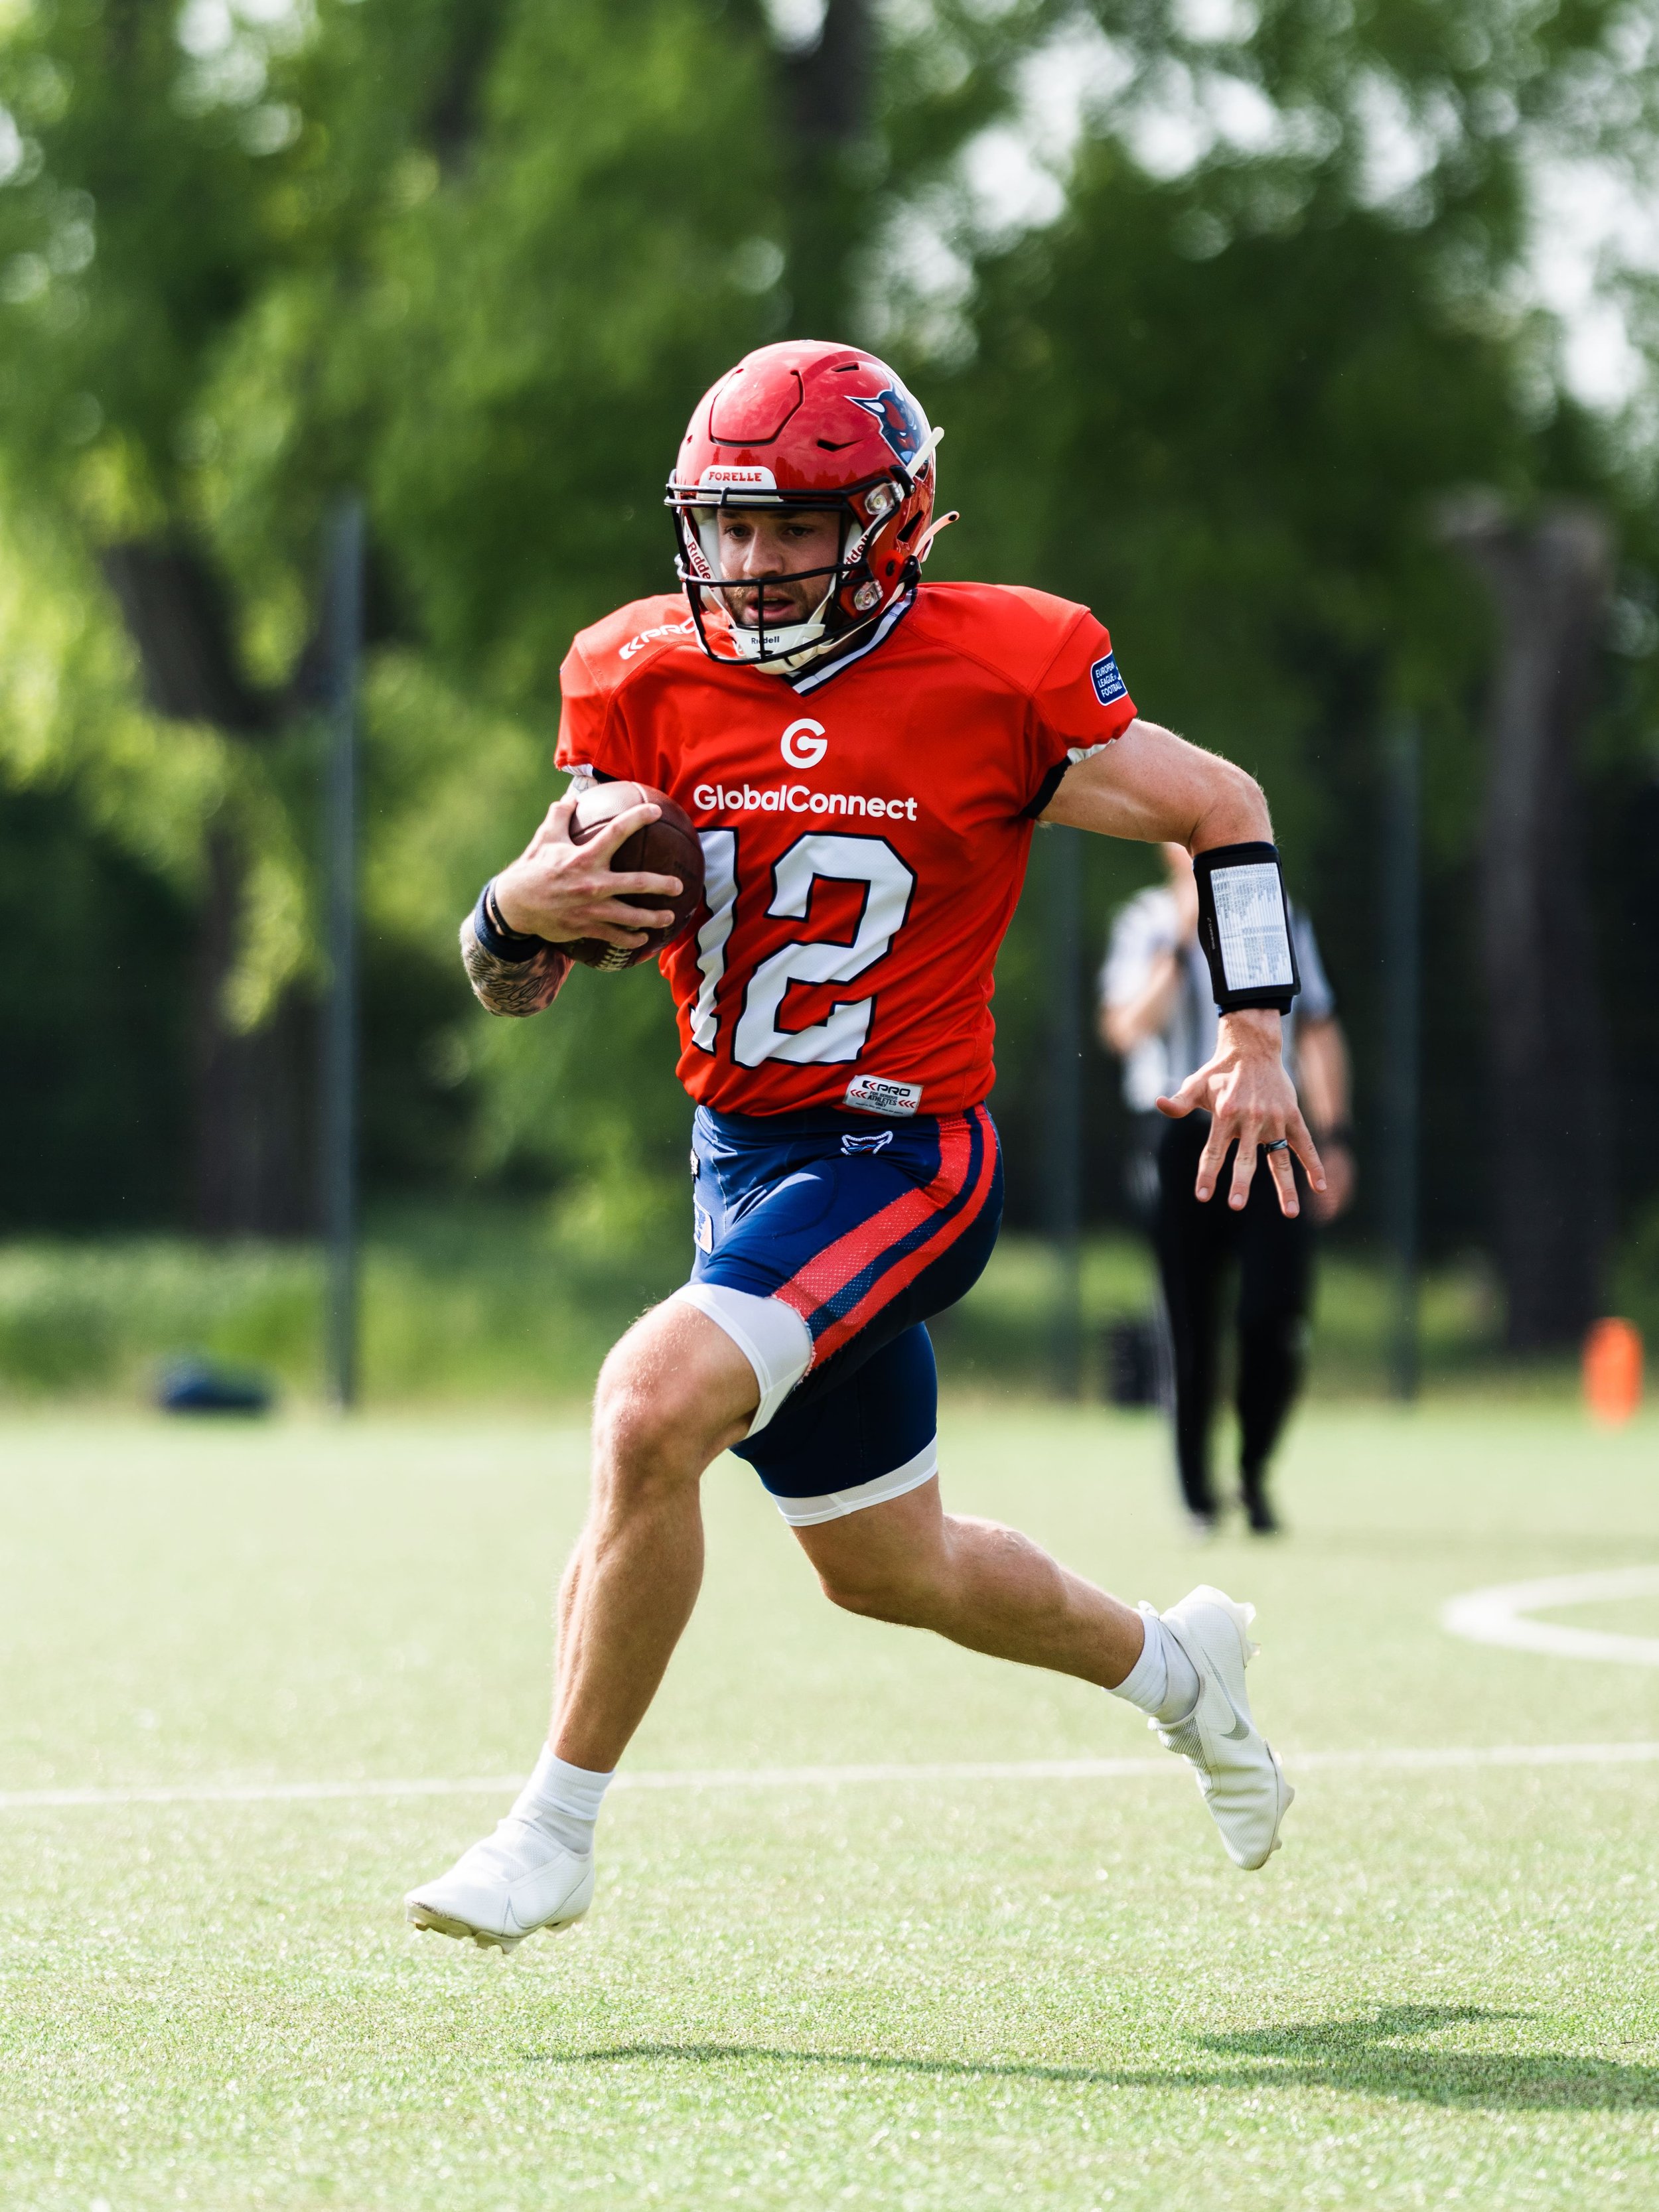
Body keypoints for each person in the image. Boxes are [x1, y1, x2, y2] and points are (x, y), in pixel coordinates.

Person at [405, 340, 1324, 1955]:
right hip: (742, 1164)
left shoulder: (1006, 670)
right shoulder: (638, 674)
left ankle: (552, 1830)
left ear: (890, 522)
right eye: (728, 527)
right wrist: (506, 911)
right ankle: (1184, 1670)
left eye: (789, 528)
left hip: (908, 1156)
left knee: (645, 1407)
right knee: (895, 1568)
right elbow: (519, 978)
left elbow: (1224, 802)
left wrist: (1253, 1034)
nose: (750, 566)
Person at [1101, 843, 1354, 1535]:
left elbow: (1319, 1028)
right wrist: (1183, 943)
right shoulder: (1147, 922)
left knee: (1274, 1310)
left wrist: (1334, 1138)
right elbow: (1127, 1029)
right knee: (1187, 1319)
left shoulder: (1276, 917)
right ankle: (1194, 1492)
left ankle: (1252, 1468)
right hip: (1180, 1134)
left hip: (1270, 1126)